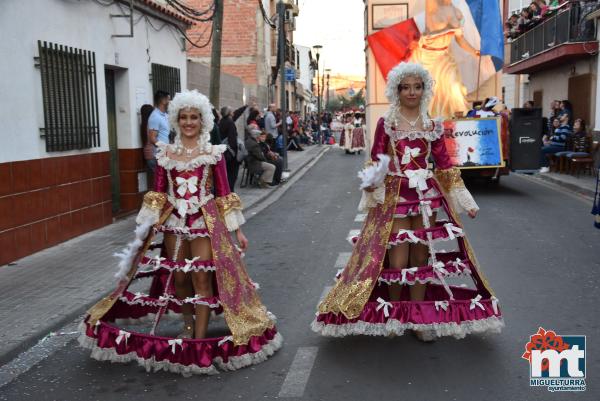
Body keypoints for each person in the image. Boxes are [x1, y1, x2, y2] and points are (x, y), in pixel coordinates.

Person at [79, 90, 281, 375]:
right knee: (181, 280)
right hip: (173, 221)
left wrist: (238, 233)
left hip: (204, 223)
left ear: (203, 120)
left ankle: (197, 342)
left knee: (201, 278)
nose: (189, 122)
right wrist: (143, 230)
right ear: (176, 120)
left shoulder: (214, 154)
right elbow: (158, 194)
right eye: (184, 117)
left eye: (194, 117)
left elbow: (224, 195)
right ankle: (188, 329)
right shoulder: (165, 154)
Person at [312, 62, 504, 342]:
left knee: (421, 259)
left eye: (417, 87)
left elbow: (444, 164)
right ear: (397, 90)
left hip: (427, 197)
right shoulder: (387, 124)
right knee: (398, 259)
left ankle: (418, 318)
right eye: (406, 87)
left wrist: (465, 200)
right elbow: (378, 159)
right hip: (396, 195)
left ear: (424, 90)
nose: (412, 92)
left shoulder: (433, 125)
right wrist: (372, 191)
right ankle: (394, 313)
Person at [407, 0, 482, 119]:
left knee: (455, 89)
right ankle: (430, 122)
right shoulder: (432, 7)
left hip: (445, 58)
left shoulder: (456, 12)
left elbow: (459, 39)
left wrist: (474, 51)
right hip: (428, 58)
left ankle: (457, 122)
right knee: (430, 94)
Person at [219, 104, 249, 191]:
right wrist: (235, 155)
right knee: (232, 176)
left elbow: (236, 114)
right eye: (231, 111)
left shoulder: (223, 121)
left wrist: (244, 107)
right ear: (229, 113)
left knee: (226, 174)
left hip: (225, 152)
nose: (233, 112)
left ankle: (227, 191)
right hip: (230, 154)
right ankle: (230, 193)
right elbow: (232, 140)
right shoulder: (230, 122)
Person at [148, 90, 171, 160]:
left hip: (168, 154)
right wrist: (165, 148)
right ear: (163, 101)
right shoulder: (155, 116)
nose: (170, 102)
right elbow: (152, 138)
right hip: (160, 156)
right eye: (168, 100)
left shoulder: (166, 115)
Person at [140, 104, 156, 186]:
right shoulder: (152, 125)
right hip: (155, 154)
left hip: (148, 155)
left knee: (157, 179)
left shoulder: (143, 125)